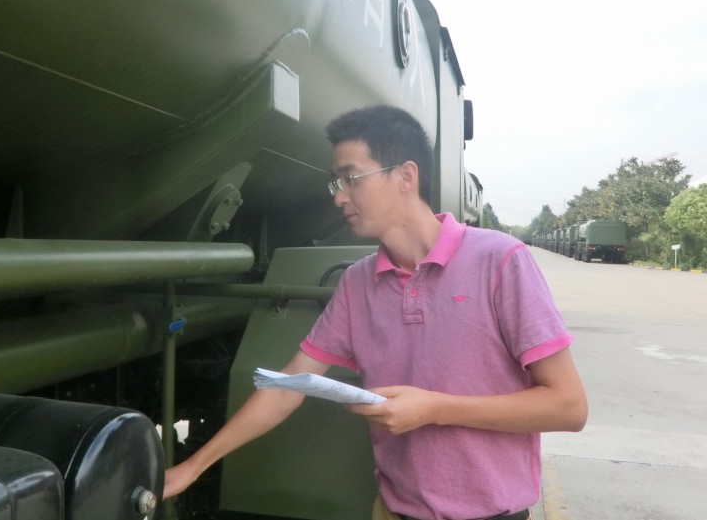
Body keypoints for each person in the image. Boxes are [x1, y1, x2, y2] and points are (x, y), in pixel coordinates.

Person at [163, 105, 588, 520]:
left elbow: (569, 406)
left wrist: (434, 408)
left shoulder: (499, 260)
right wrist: (191, 468)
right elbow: (287, 386)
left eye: (351, 178)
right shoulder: (357, 282)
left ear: (405, 176)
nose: (339, 197)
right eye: (336, 183)